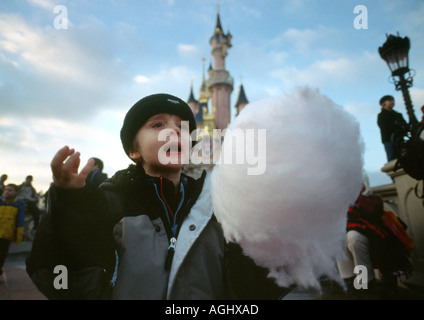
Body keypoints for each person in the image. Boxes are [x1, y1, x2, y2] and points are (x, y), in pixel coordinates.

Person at [26, 93, 290, 300]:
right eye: (158, 124)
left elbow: (253, 288)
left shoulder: (220, 206)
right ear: (134, 150)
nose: (174, 131)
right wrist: (69, 204)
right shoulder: (109, 203)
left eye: (183, 127)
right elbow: (62, 280)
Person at [337, 170, 414, 299]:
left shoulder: (373, 200)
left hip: (371, 236)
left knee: (354, 238)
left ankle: (365, 282)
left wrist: (357, 198)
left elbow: (372, 215)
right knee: (336, 239)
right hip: (349, 232)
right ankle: (348, 280)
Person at [0, 184, 26, 276]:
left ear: (16, 192)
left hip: (7, 234)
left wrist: (18, 237)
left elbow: (20, 222)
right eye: (5, 190)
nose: (7, 192)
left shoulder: (19, 205)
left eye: (10, 190)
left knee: (2, 253)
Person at [377, 95, 407, 162]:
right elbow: (384, 127)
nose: (392, 102)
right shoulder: (381, 116)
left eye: (393, 100)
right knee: (393, 159)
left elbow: (405, 125)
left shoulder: (398, 115)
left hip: (400, 139)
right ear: (383, 103)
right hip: (389, 140)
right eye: (389, 100)